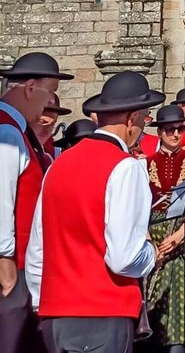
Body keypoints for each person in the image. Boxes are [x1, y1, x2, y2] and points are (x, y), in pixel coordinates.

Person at [25, 70, 164, 352]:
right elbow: (123, 257)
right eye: (145, 118)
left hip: (55, 313)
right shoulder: (126, 167)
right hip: (103, 311)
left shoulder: (56, 166)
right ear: (131, 119)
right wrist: (151, 254)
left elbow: (38, 248)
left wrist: (43, 301)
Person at [0, 52, 72, 353]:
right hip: (11, 270)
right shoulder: (7, 131)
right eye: (50, 93)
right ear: (30, 88)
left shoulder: (18, 130)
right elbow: (2, 201)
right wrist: (6, 267)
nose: (49, 106)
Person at [142, 105, 185, 352]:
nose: (175, 134)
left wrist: (179, 235)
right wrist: (151, 242)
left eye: (180, 129)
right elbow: (140, 209)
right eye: (169, 129)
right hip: (156, 233)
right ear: (160, 132)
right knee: (160, 296)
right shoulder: (143, 164)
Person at [30, 93, 72, 166]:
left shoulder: (51, 151)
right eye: (42, 122)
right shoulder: (16, 144)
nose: (48, 130)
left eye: (52, 123)